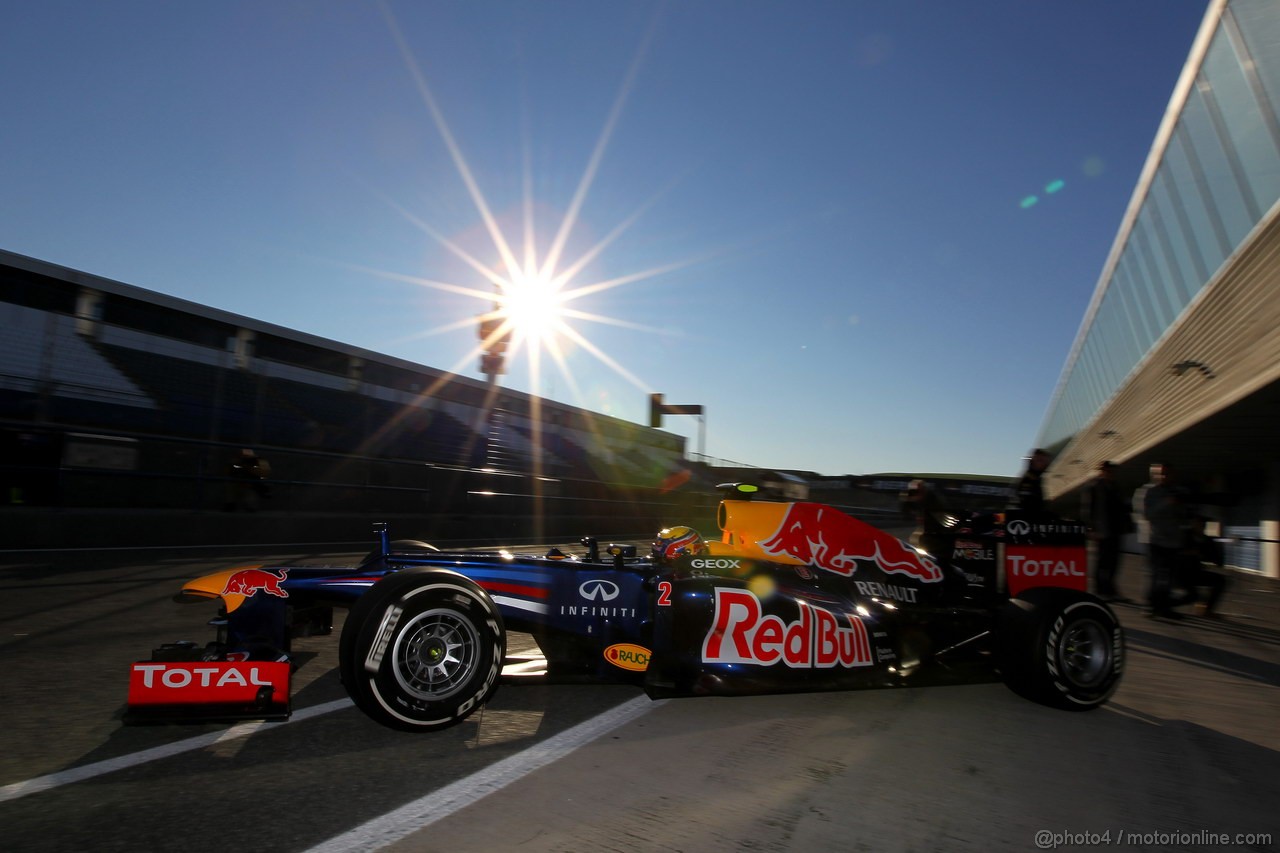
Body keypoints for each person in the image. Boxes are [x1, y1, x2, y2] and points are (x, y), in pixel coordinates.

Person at [1134, 462, 1189, 619]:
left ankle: (1164, 607)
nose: (1164, 477)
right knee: (1154, 575)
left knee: (1169, 577)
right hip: (1155, 540)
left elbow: (1183, 516)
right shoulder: (1148, 492)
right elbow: (1147, 515)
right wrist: (1166, 503)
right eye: (1161, 474)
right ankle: (1149, 606)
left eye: (1167, 473)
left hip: (1173, 540)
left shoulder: (1178, 492)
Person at [1082, 461, 1133, 601]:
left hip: (1115, 529)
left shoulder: (1115, 487)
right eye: (1107, 471)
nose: (1110, 473)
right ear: (1101, 471)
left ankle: (1111, 589)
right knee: (1101, 562)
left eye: (1111, 471)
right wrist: (1091, 528)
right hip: (1102, 530)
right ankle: (1099, 590)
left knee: (1114, 561)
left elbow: (1122, 508)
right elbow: (1088, 509)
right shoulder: (1094, 487)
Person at [1177, 515, 1228, 617]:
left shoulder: (1206, 540)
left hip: (1196, 572)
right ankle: (1163, 605)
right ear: (1193, 524)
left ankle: (1207, 610)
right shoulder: (1184, 536)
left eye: (1203, 524)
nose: (1201, 526)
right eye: (1198, 524)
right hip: (1180, 573)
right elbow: (1174, 551)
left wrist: (1210, 555)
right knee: (1192, 596)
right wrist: (1189, 552)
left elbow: (1217, 560)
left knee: (1220, 581)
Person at [901, 479, 951, 559]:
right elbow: (905, 505)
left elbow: (939, 513)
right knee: (916, 539)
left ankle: (937, 556)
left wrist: (923, 517)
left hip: (937, 522)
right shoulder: (910, 495)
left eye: (918, 492)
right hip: (926, 521)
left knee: (926, 539)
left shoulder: (933, 498)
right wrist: (910, 513)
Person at [1010, 449, 1051, 517]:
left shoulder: (1036, 478)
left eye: (1046, 461)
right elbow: (1028, 506)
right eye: (1041, 460)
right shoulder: (1028, 480)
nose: (1045, 464)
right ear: (1034, 461)